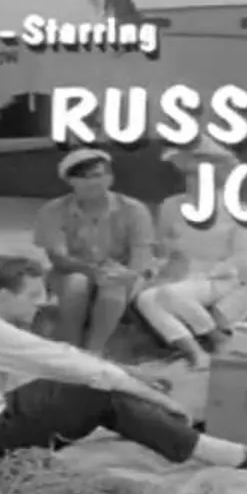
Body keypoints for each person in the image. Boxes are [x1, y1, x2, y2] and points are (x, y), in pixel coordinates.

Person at [0, 254, 247, 470]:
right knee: (101, 393)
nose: (42, 303)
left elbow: (62, 359)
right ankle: (230, 456)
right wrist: (158, 397)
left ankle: (171, 428)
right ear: (3, 296)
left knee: (94, 382)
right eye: (32, 295)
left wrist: (132, 373)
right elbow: (87, 371)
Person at [135, 137, 247, 368]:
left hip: (217, 277)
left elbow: (243, 257)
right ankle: (196, 352)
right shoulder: (171, 206)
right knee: (146, 299)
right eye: (190, 175)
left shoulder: (236, 209)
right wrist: (160, 266)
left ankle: (217, 338)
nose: (194, 181)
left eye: (201, 176)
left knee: (170, 294)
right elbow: (162, 248)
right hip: (179, 273)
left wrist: (207, 274)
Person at [33, 149, 155, 352]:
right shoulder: (53, 210)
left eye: (98, 175)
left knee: (113, 288)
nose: (92, 183)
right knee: (76, 284)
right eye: (83, 177)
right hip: (71, 272)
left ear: (110, 177)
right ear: (70, 181)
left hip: (121, 271)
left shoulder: (134, 210)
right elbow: (58, 257)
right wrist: (91, 270)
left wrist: (126, 274)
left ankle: (95, 349)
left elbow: (141, 255)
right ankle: (71, 346)